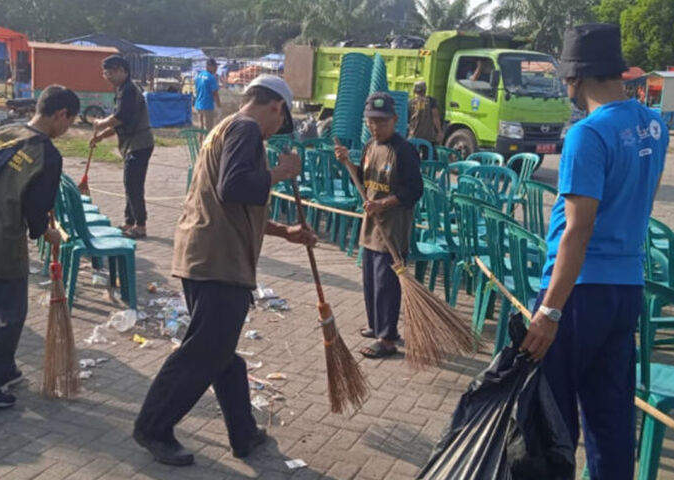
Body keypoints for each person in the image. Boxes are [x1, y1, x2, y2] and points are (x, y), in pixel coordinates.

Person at [132, 75, 316, 466]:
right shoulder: (246, 129)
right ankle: (153, 426)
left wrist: (286, 231)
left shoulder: (224, 128)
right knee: (204, 351)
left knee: (222, 354)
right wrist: (281, 172)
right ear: (276, 107)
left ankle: (243, 433)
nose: (273, 133)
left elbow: (231, 200)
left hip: (208, 254)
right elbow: (235, 188)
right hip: (217, 260)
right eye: (278, 124)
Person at [521, 24, 667, 480]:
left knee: (551, 420)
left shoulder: (589, 134)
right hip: (625, 290)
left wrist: (550, 312)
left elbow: (576, 232)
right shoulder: (654, 124)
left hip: (577, 293)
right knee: (610, 419)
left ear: (574, 79)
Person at [0, 85, 79, 408]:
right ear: (60, 114)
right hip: (2, 239)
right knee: (11, 314)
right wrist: (47, 233)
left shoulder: (8, 131)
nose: (68, 129)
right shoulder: (48, 155)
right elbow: (36, 211)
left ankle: (1, 369)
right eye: (71, 121)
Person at [335, 92, 423, 359]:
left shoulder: (404, 151)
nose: (376, 126)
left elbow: (414, 190)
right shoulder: (369, 146)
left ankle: (387, 339)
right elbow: (363, 179)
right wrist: (347, 162)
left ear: (395, 120)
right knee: (371, 280)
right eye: (371, 121)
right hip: (371, 226)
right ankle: (376, 326)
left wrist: (383, 204)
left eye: (382, 122)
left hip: (392, 229)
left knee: (386, 284)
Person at [92, 55, 154, 239]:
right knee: (130, 184)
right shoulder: (122, 89)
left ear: (122, 70)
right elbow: (120, 123)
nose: (107, 76)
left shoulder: (129, 90)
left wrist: (100, 123)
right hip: (131, 144)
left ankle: (140, 225)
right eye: (105, 73)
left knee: (133, 184)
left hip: (139, 144)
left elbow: (120, 118)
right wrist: (102, 136)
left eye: (111, 72)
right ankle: (129, 221)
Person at [408, 81, 443, 152]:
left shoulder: (410, 102)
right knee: (430, 157)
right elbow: (435, 117)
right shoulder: (431, 101)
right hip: (429, 136)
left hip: (414, 136)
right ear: (425, 89)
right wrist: (439, 132)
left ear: (414, 90)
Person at [195, 58, 221, 130]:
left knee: (201, 127)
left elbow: (197, 89)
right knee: (208, 129)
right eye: (215, 67)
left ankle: (200, 141)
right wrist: (219, 107)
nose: (216, 69)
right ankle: (206, 141)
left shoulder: (199, 75)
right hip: (207, 106)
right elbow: (215, 94)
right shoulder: (211, 78)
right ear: (209, 66)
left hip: (198, 104)